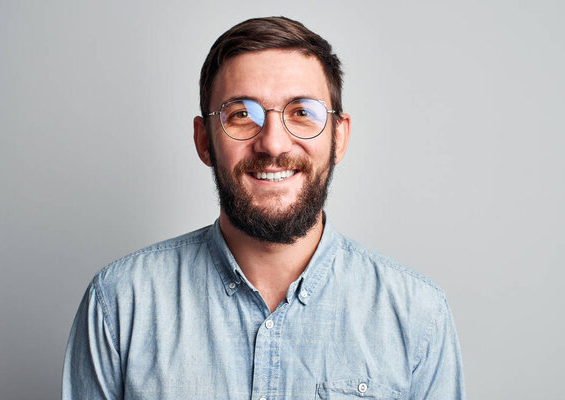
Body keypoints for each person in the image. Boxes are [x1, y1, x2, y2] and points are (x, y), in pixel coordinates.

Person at [62, 16, 465, 400]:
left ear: (339, 137)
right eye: (242, 115)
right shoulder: (118, 304)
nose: (273, 144)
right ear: (205, 141)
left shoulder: (417, 317)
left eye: (302, 113)